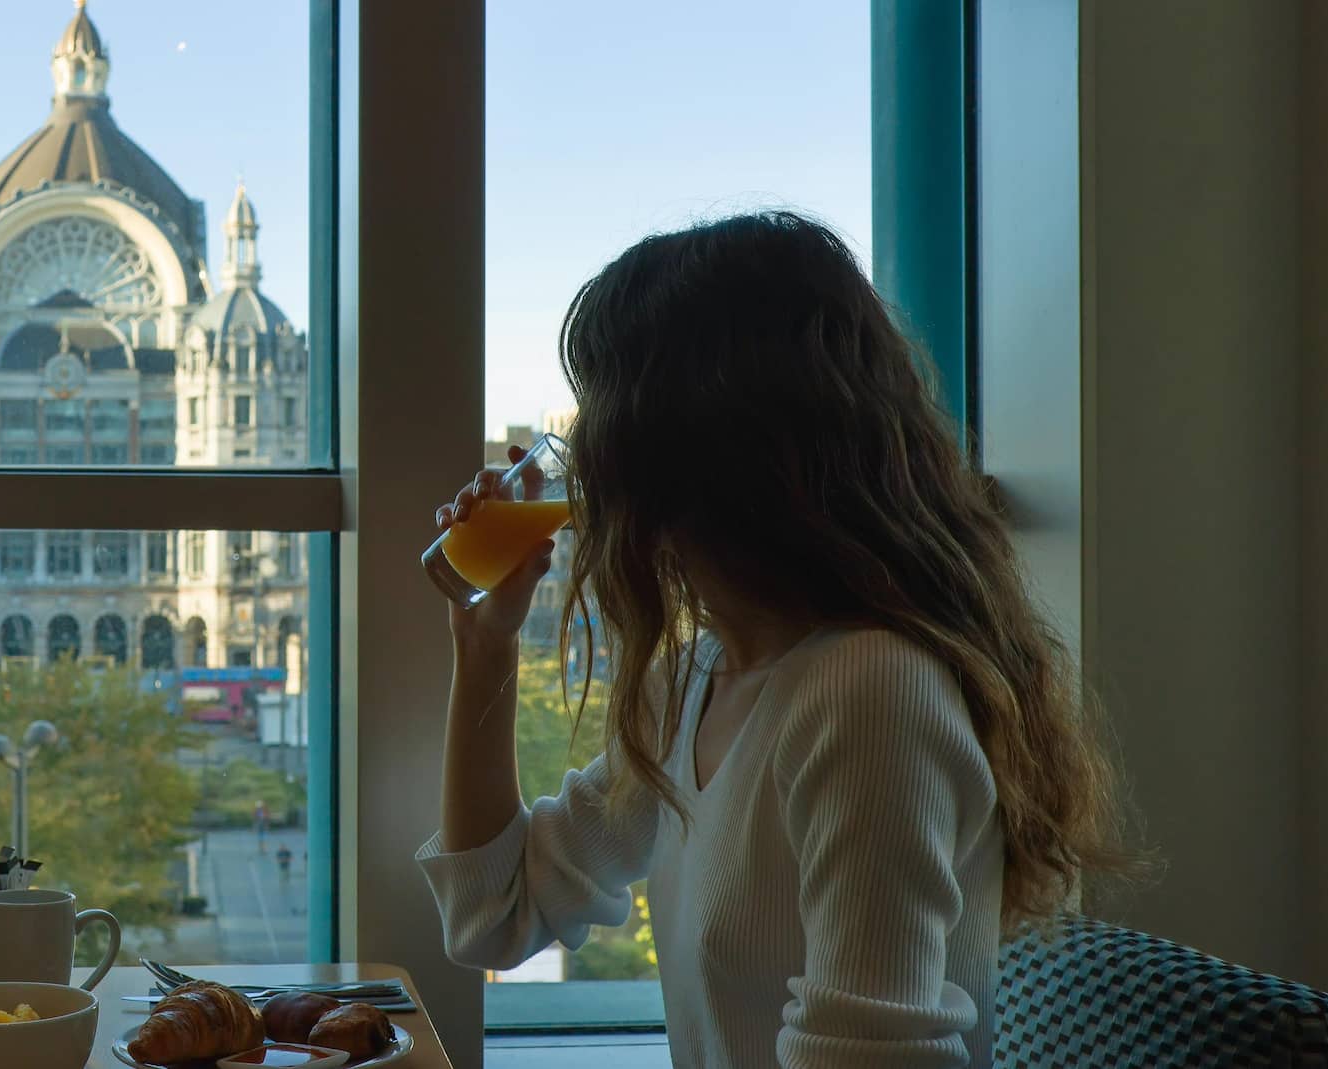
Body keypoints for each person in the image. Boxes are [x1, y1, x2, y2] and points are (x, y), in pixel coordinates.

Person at [416, 213, 1136, 1069]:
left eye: (598, 412)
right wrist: (483, 645)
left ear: (681, 445)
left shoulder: (867, 692)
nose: (583, 455)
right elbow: (496, 913)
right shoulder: (694, 679)